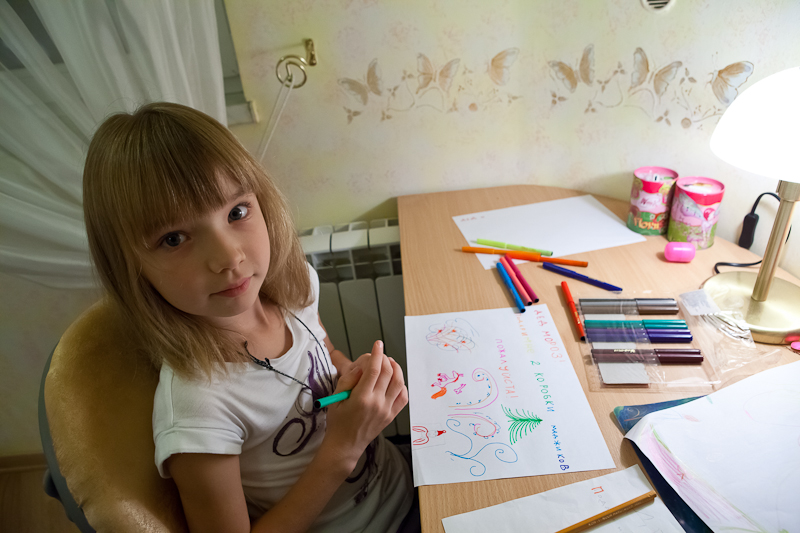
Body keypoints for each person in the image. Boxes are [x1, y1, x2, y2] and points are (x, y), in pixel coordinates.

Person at [82, 102, 415, 532]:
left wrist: (354, 377)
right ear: (129, 267)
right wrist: (343, 448)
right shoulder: (198, 407)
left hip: (404, 482)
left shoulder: (293, 291)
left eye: (236, 212)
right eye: (174, 238)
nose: (229, 257)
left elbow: (326, 353)